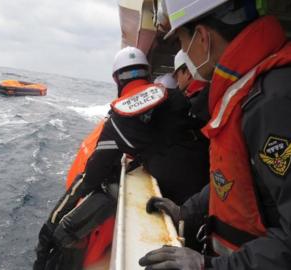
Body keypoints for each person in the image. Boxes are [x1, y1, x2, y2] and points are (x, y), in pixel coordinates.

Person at [140, 0, 291, 269]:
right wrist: (188, 212)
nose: (184, 52)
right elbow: (238, 178)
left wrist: (210, 267)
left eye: (182, 42)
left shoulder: (280, 101)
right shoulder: (254, 87)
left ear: (202, 38)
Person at [33, 46, 209, 270]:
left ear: (117, 80)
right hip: (209, 194)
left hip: (180, 207)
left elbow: (91, 178)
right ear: (147, 73)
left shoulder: (117, 123)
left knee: (57, 237)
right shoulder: (177, 97)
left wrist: (50, 226)